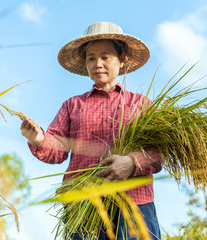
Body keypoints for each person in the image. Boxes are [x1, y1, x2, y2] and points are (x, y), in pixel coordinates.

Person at [20, 22, 162, 240]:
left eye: (106, 57)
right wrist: (38, 138)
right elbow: (57, 149)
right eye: (91, 58)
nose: (98, 64)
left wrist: (132, 162)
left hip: (135, 204)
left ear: (121, 58)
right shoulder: (72, 105)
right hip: (84, 205)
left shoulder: (141, 104)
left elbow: (158, 154)